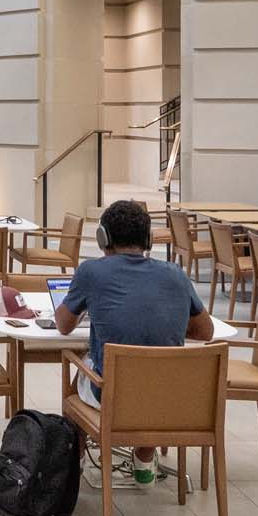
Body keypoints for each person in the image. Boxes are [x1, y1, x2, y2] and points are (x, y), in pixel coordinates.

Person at [54, 200, 215, 483]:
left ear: (103, 238)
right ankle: (143, 460)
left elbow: (64, 326)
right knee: (153, 371)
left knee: (76, 380)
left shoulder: (92, 272)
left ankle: (72, 467)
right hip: (171, 400)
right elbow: (206, 332)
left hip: (114, 397)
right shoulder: (175, 274)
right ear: (149, 239)